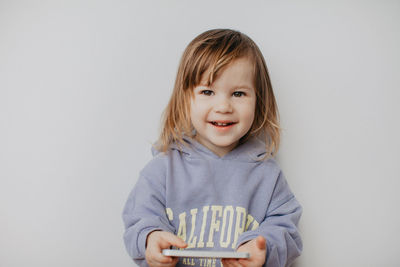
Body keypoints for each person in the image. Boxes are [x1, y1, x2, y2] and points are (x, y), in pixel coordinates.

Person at [122, 29, 302, 267]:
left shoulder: (267, 174)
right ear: (186, 99)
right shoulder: (164, 168)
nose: (223, 106)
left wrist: (263, 248)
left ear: (258, 102)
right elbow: (139, 217)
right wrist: (151, 238)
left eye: (238, 93)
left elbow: (286, 230)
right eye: (207, 92)